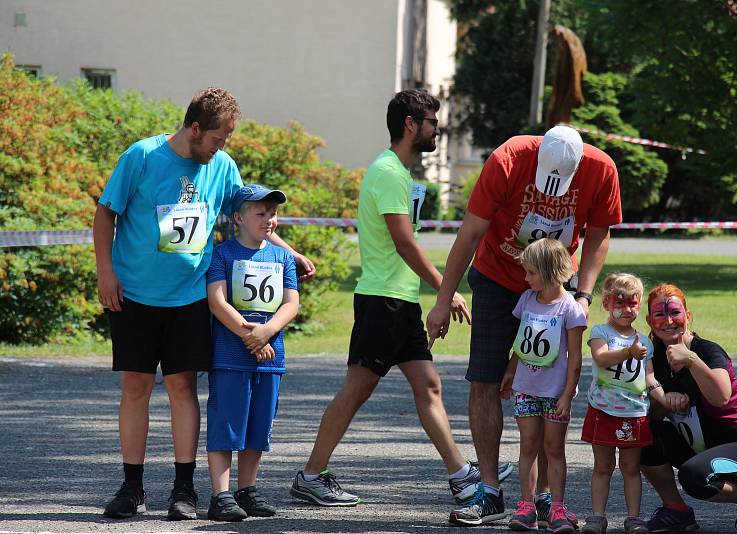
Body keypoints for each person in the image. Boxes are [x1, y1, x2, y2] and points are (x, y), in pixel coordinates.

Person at [93, 88, 313, 520]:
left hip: (192, 296)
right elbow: (106, 213)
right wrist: (106, 273)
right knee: (135, 388)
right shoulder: (141, 156)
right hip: (134, 293)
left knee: (182, 388)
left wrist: (289, 252)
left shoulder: (223, 167)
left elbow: (253, 217)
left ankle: (183, 489)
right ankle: (132, 486)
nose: (221, 148)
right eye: (217, 139)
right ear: (195, 129)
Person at [289, 89, 511, 508]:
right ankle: (311, 476)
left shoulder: (399, 172)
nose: (437, 130)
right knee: (357, 389)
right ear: (410, 124)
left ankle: (463, 477)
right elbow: (404, 243)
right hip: (382, 299)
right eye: (431, 122)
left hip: (399, 299)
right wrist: (446, 288)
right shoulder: (389, 172)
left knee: (429, 385)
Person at [427, 125, 621, 524]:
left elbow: (599, 234)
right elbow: (469, 235)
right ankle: (491, 491)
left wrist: (582, 295)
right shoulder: (508, 160)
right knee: (484, 381)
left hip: (553, 285)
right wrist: (443, 301)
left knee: (549, 391)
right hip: (497, 277)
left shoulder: (601, 170)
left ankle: (545, 497)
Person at [641, 284, 737, 534]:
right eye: (660, 314)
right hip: (706, 447)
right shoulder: (656, 358)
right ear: (649, 321)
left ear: (688, 315)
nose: (668, 320)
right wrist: (663, 401)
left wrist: (691, 360)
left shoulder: (706, 351)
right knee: (641, 437)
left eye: (675, 312)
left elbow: (721, 397)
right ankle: (676, 511)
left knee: (694, 476)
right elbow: (651, 414)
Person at [204, 184, 299, 521]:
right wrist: (249, 335)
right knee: (226, 424)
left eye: (272, 213)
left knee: (258, 426)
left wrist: (266, 333)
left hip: (271, 356)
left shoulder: (282, 256)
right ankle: (221, 495)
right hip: (231, 355)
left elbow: (291, 302)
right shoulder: (222, 254)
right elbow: (217, 301)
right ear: (238, 218)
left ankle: (247, 490)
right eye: (261, 213)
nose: (269, 219)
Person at [480, 239, 585, 531]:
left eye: (530, 273)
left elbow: (575, 358)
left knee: (554, 449)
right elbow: (521, 343)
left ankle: (557, 508)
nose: (525, 278)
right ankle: (526, 506)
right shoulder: (527, 299)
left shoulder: (570, 309)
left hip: (555, 393)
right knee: (527, 445)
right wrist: (511, 371)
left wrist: (567, 393)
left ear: (550, 272)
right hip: (526, 388)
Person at [580, 274, 655, 534]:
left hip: (635, 413)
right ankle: (597, 517)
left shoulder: (645, 341)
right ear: (606, 304)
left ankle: (633, 518)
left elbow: (649, 377)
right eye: (619, 303)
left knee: (631, 468)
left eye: (633, 304)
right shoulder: (600, 333)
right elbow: (601, 359)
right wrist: (627, 352)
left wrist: (663, 396)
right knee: (603, 467)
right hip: (603, 410)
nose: (626, 309)